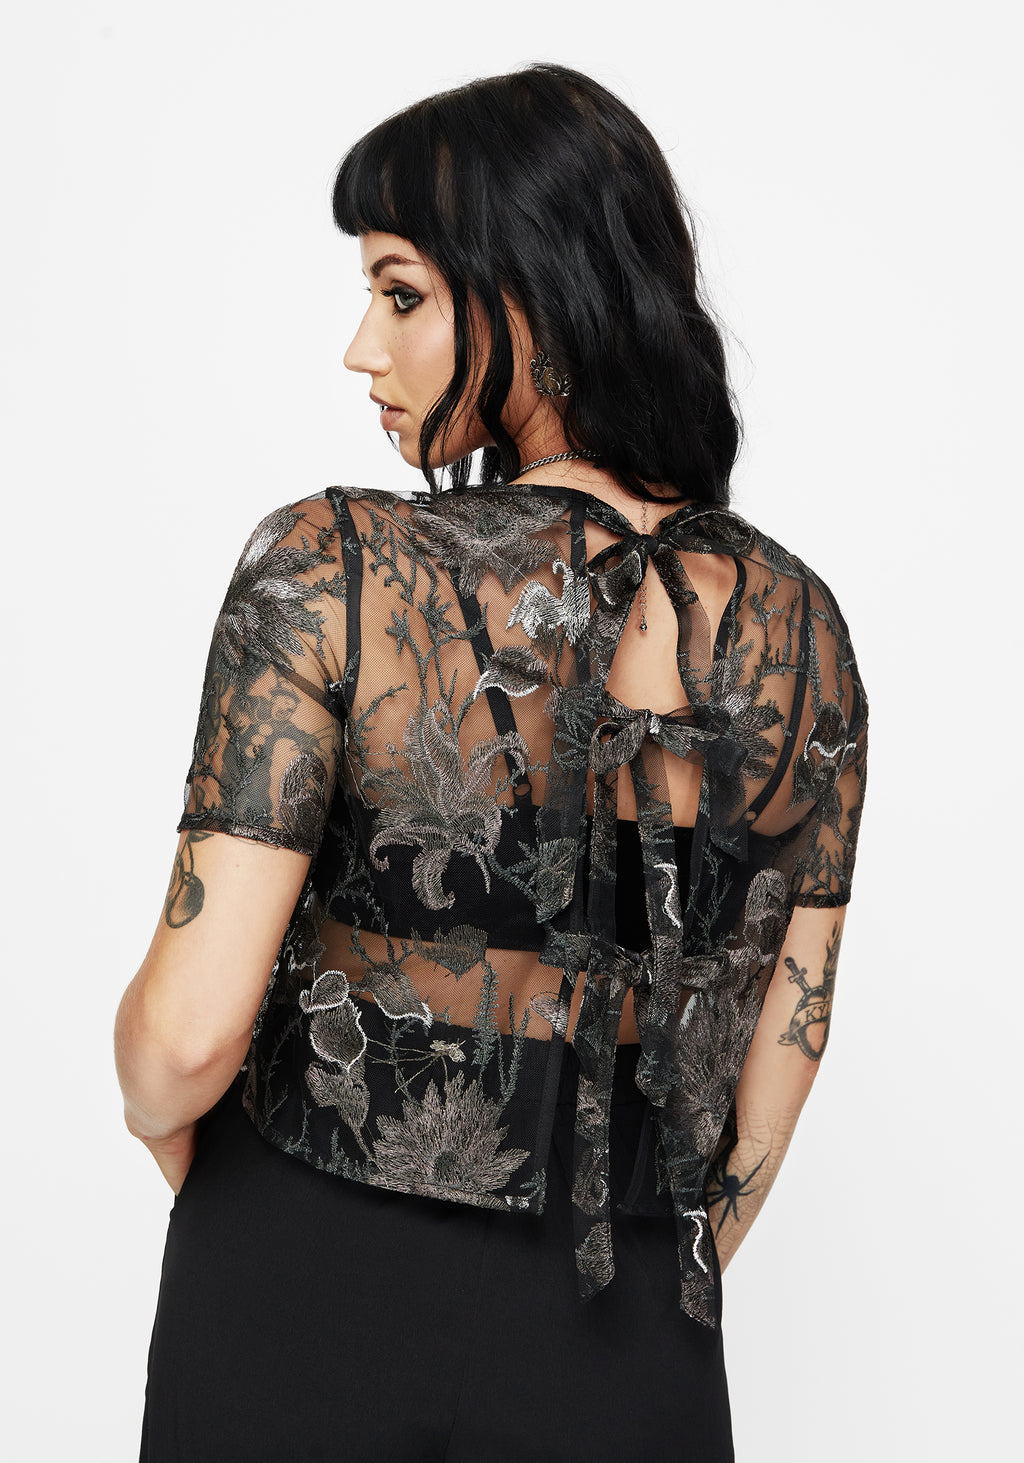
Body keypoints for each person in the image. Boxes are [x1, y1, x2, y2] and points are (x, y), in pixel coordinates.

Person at [116, 62, 868, 1463]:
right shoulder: (799, 631)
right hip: (629, 1325)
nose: (362, 347)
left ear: (527, 299)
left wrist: (161, 1122)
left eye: (400, 294)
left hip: (304, 1277)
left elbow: (184, 1038)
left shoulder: (338, 566)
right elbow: (778, 1056)